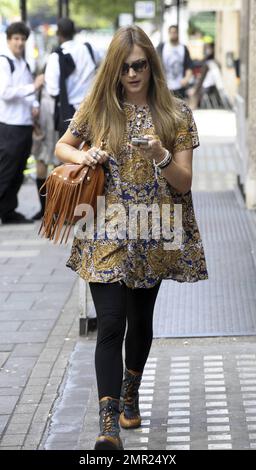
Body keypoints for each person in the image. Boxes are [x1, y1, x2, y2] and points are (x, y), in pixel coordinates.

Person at [54, 25, 208, 450]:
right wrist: (85, 154)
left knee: (140, 323)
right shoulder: (99, 107)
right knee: (110, 323)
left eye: (139, 65)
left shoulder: (175, 115)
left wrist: (160, 156)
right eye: (123, 68)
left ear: (152, 66)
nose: (132, 74)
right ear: (113, 70)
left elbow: (183, 183)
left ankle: (130, 390)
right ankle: (108, 425)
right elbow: (62, 147)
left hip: (154, 228)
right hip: (104, 224)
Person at [0, 22, 44, 224]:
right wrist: (32, 87)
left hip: (24, 124)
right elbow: (5, 93)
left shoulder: (23, 64)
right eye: (16, 39)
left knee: (18, 171)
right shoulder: (4, 62)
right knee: (6, 171)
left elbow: (29, 93)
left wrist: (34, 103)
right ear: (8, 40)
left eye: (22, 39)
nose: (19, 43)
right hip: (9, 125)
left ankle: (8, 211)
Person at [45, 18, 101, 137]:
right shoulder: (89, 50)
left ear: (58, 34)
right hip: (92, 109)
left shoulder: (55, 57)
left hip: (68, 113)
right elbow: (102, 65)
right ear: (74, 32)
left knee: (69, 149)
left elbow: (53, 90)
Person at [188, 43, 229, 109]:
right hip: (213, 87)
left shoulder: (208, 64)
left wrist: (195, 89)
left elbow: (201, 80)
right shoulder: (215, 62)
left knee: (193, 90)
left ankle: (192, 106)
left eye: (208, 48)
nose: (206, 50)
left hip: (207, 88)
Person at [157, 25, 193, 99]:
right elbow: (155, 63)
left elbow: (189, 66)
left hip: (180, 86)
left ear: (178, 33)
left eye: (175, 32)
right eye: (171, 32)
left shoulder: (183, 48)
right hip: (165, 85)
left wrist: (186, 79)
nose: (173, 34)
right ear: (168, 33)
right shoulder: (162, 47)